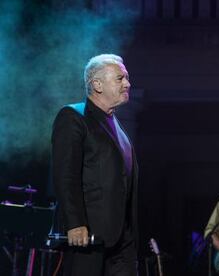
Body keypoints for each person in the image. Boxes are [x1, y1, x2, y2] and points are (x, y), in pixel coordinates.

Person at [52, 54, 139, 275]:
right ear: (97, 84)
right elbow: (66, 175)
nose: (127, 83)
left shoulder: (116, 124)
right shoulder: (73, 117)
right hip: (88, 235)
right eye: (120, 78)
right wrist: (75, 223)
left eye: (127, 78)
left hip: (123, 240)